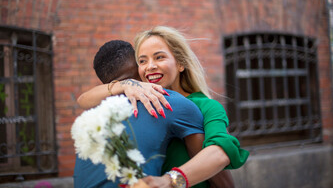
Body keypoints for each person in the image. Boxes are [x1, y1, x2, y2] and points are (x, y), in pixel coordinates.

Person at [74, 40, 231, 188]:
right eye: (143, 61)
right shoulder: (167, 101)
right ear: (138, 68)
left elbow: (217, 157)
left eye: (159, 57)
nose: (150, 67)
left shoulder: (97, 116)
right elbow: (219, 178)